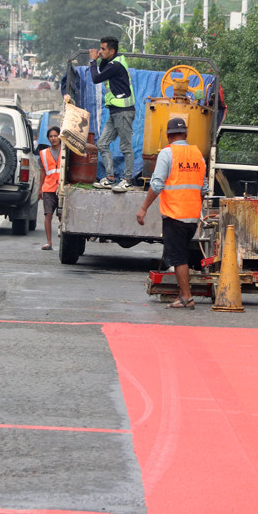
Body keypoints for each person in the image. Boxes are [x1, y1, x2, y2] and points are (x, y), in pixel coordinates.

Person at [136, 117, 207, 309]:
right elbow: (204, 187)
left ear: (168, 135)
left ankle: (186, 297)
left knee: (178, 258)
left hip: (175, 214)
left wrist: (143, 208)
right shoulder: (197, 155)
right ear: (185, 134)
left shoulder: (167, 153)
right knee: (180, 254)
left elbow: (157, 183)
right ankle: (184, 295)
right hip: (192, 216)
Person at [89, 36, 135, 192]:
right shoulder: (113, 62)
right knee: (102, 143)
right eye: (100, 49)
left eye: (103, 49)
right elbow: (102, 70)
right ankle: (110, 178)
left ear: (112, 51)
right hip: (115, 111)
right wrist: (99, 60)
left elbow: (96, 77)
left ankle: (127, 180)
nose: (100, 51)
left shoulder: (116, 65)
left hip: (123, 112)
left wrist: (92, 61)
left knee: (126, 147)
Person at [38, 126, 61, 250]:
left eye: (55, 135)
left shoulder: (66, 151)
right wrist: (40, 188)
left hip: (62, 188)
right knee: (48, 215)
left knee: (62, 215)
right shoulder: (43, 153)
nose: (53, 138)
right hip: (49, 188)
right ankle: (49, 242)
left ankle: (64, 241)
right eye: (51, 136)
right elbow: (42, 172)